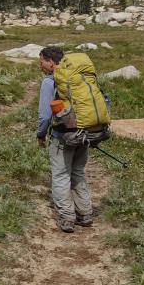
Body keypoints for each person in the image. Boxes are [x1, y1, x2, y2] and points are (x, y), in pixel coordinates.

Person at [35, 46, 93, 233]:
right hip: (84, 132)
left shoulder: (49, 82)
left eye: (41, 61)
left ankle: (67, 217)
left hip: (62, 136)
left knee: (61, 175)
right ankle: (85, 214)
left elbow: (44, 116)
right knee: (78, 172)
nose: (40, 65)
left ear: (51, 62)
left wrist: (40, 135)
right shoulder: (78, 77)